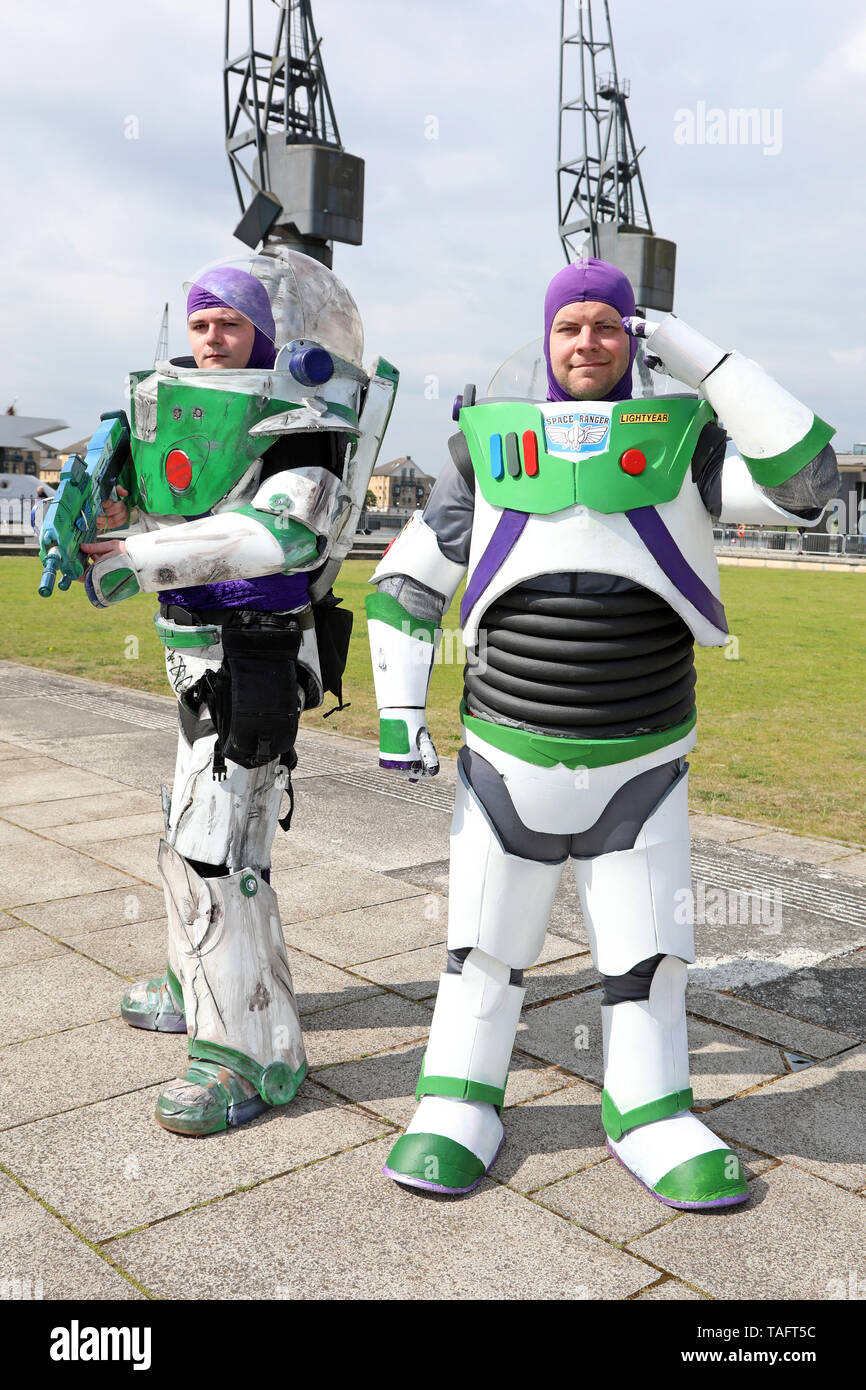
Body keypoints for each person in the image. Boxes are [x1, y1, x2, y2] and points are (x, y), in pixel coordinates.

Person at [364, 256, 838, 1207]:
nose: (588, 343)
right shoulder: (483, 450)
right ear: (545, 340)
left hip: (645, 761)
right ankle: (457, 1097)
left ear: (634, 338)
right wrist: (399, 711)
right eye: (570, 326)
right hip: (507, 754)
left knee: (647, 959)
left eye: (609, 326)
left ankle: (651, 1108)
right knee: (483, 953)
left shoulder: (688, 450)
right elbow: (410, 582)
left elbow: (807, 482)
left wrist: (691, 347)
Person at [77, 251, 398, 1135]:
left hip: (253, 659)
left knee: (220, 853)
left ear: (264, 330)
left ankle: (251, 1052)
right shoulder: (179, 410)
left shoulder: (305, 415)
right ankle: (198, 981)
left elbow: (282, 532)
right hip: (195, 655)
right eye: (201, 322)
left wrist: (137, 558)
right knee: (186, 842)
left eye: (231, 323)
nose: (213, 339)